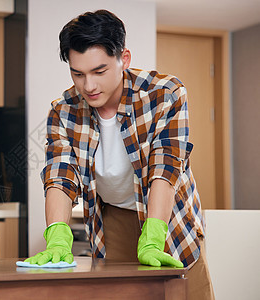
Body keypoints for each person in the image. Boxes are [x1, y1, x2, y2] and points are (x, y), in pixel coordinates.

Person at [24, 9, 214, 299]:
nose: (88, 86)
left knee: (185, 292)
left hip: (167, 216)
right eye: (78, 73)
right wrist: (57, 235)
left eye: (99, 72)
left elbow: (165, 166)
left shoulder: (165, 94)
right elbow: (60, 175)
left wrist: (153, 235)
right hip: (113, 219)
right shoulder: (63, 110)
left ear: (123, 59)